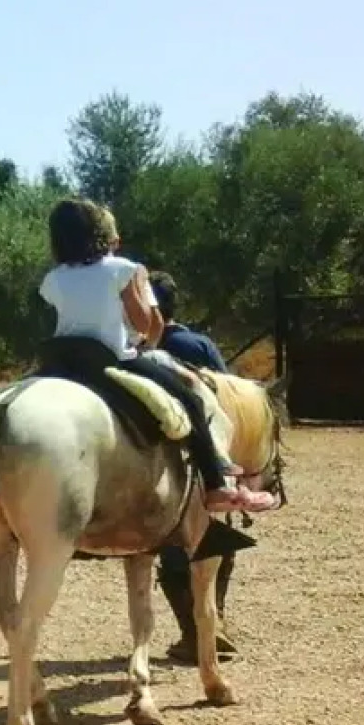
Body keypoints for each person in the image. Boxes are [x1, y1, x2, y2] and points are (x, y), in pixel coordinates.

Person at [38, 198, 277, 514]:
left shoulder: (53, 278)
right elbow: (147, 324)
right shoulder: (122, 269)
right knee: (191, 399)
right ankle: (216, 484)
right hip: (109, 359)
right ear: (97, 232)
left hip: (60, 361)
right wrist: (145, 344)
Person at [148, 270, 243, 662]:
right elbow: (229, 396)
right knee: (217, 543)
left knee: (174, 552)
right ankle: (214, 622)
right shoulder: (198, 344)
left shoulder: (139, 355)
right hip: (209, 466)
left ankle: (193, 633)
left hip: (164, 470)